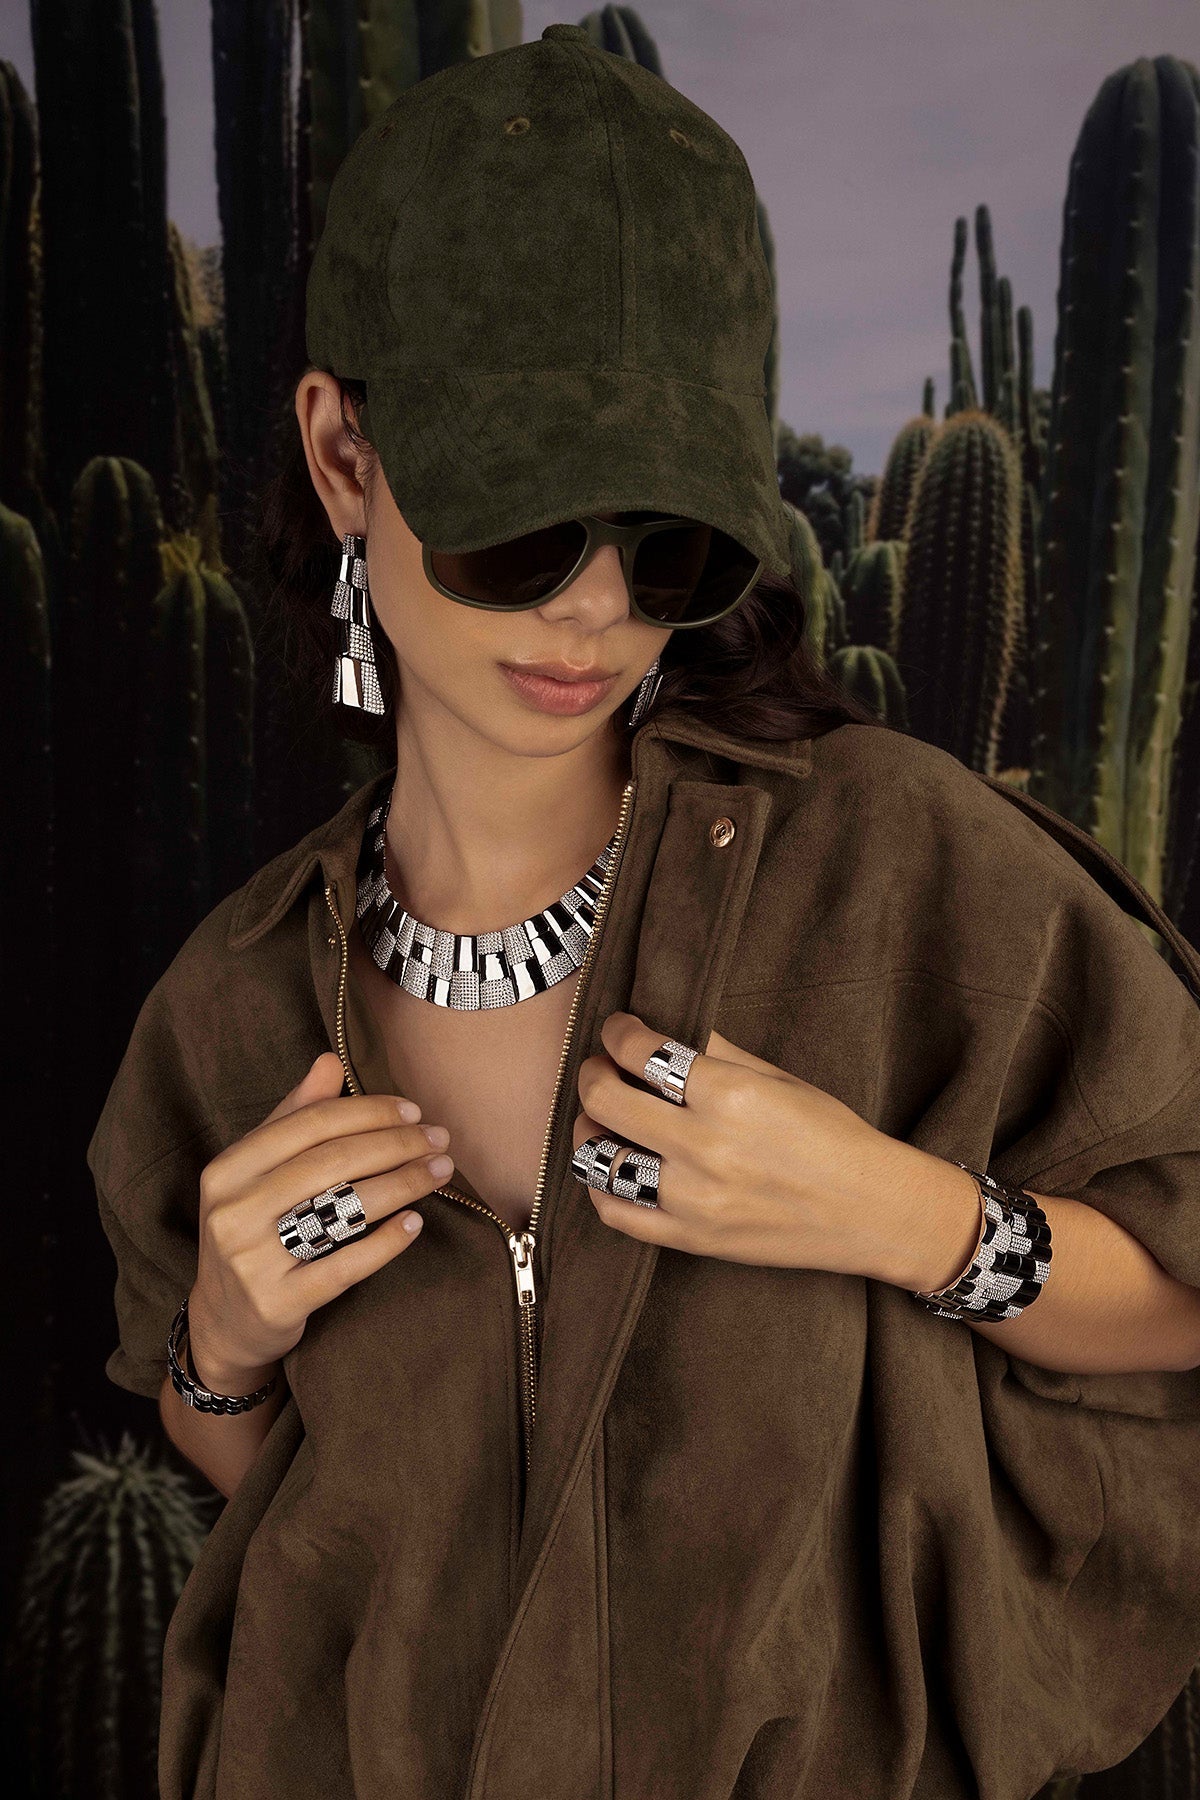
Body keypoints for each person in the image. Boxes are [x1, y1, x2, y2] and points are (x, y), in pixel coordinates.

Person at [89, 24, 1200, 1800]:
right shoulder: (227, 1010)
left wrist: (908, 1216)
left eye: (667, 543)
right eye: (523, 530)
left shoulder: (903, 872)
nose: (595, 611)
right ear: (342, 454)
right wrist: (220, 1353)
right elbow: (320, 1516)